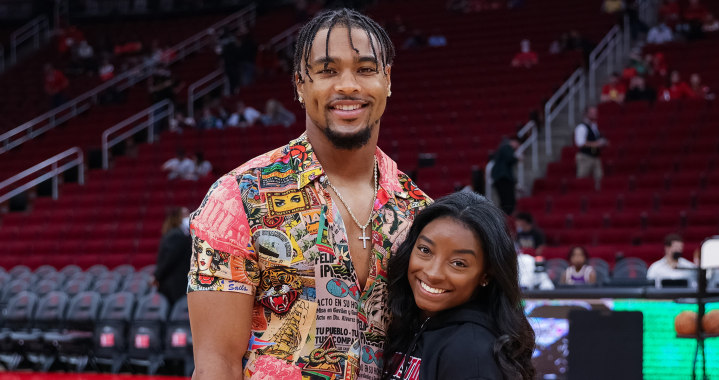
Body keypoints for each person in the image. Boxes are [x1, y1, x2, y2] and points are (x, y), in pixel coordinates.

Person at [187, 9, 431, 380]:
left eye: (366, 69)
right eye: (328, 70)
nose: (348, 85)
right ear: (300, 84)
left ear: (388, 81)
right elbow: (216, 364)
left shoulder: (421, 213)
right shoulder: (239, 199)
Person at [382, 191, 535, 380]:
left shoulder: (471, 352)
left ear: (486, 274)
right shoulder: (409, 323)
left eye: (458, 263)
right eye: (425, 250)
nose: (433, 273)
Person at [154, 207, 193, 305]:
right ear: (177, 218)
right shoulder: (176, 235)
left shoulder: (179, 234)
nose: (189, 217)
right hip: (174, 285)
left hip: (174, 283)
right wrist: (157, 276)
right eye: (185, 215)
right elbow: (168, 260)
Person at [574, 106, 607, 189]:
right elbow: (580, 143)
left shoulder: (594, 126)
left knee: (599, 180)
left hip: (596, 157)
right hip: (585, 157)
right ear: (586, 114)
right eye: (592, 112)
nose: (595, 114)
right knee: (582, 180)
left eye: (595, 112)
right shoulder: (582, 127)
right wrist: (596, 144)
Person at [491, 136, 520, 215]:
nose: (518, 146)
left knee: (504, 200)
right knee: (508, 199)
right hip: (503, 178)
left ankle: (505, 215)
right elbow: (510, 158)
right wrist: (517, 159)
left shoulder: (502, 149)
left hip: (500, 178)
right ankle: (507, 215)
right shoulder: (506, 147)